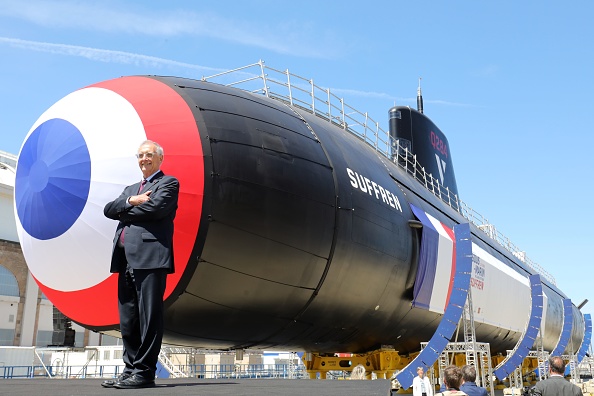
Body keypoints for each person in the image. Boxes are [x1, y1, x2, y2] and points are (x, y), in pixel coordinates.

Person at [101, 140, 179, 389]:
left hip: (150, 258)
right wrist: (132, 201)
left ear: (159, 158)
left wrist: (123, 210)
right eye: (140, 155)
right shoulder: (132, 189)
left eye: (148, 155)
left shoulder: (168, 183)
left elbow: (156, 209)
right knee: (128, 319)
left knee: (149, 317)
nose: (143, 159)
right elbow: (107, 209)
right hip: (125, 260)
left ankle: (145, 372)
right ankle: (131, 369)